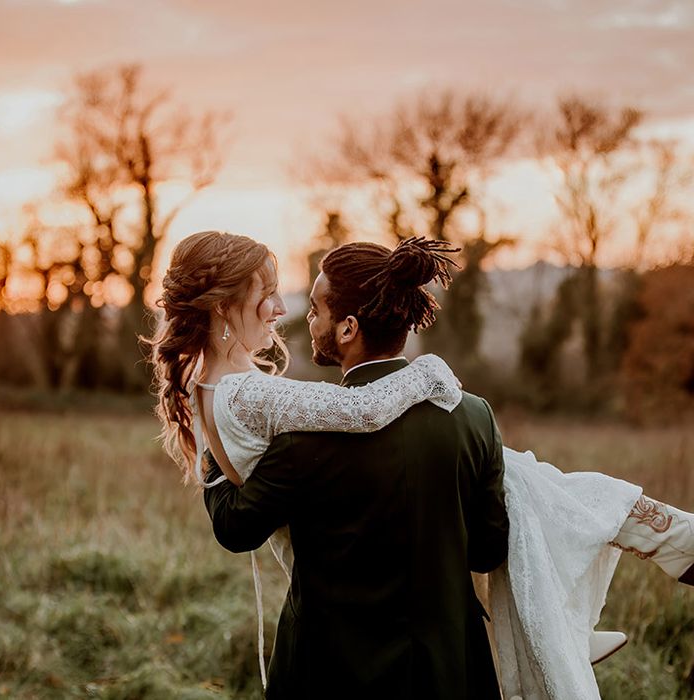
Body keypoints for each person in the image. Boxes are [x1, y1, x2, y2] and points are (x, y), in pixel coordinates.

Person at [149, 231, 694, 700]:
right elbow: (487, 546)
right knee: (528, 475)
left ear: (347, 329)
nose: (301, 317)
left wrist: (210, 453)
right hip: (448, 669)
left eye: (315, 309)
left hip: (327, 671)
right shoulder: (471, 415)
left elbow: (238, 524)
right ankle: (621, 554)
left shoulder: (301, 438)